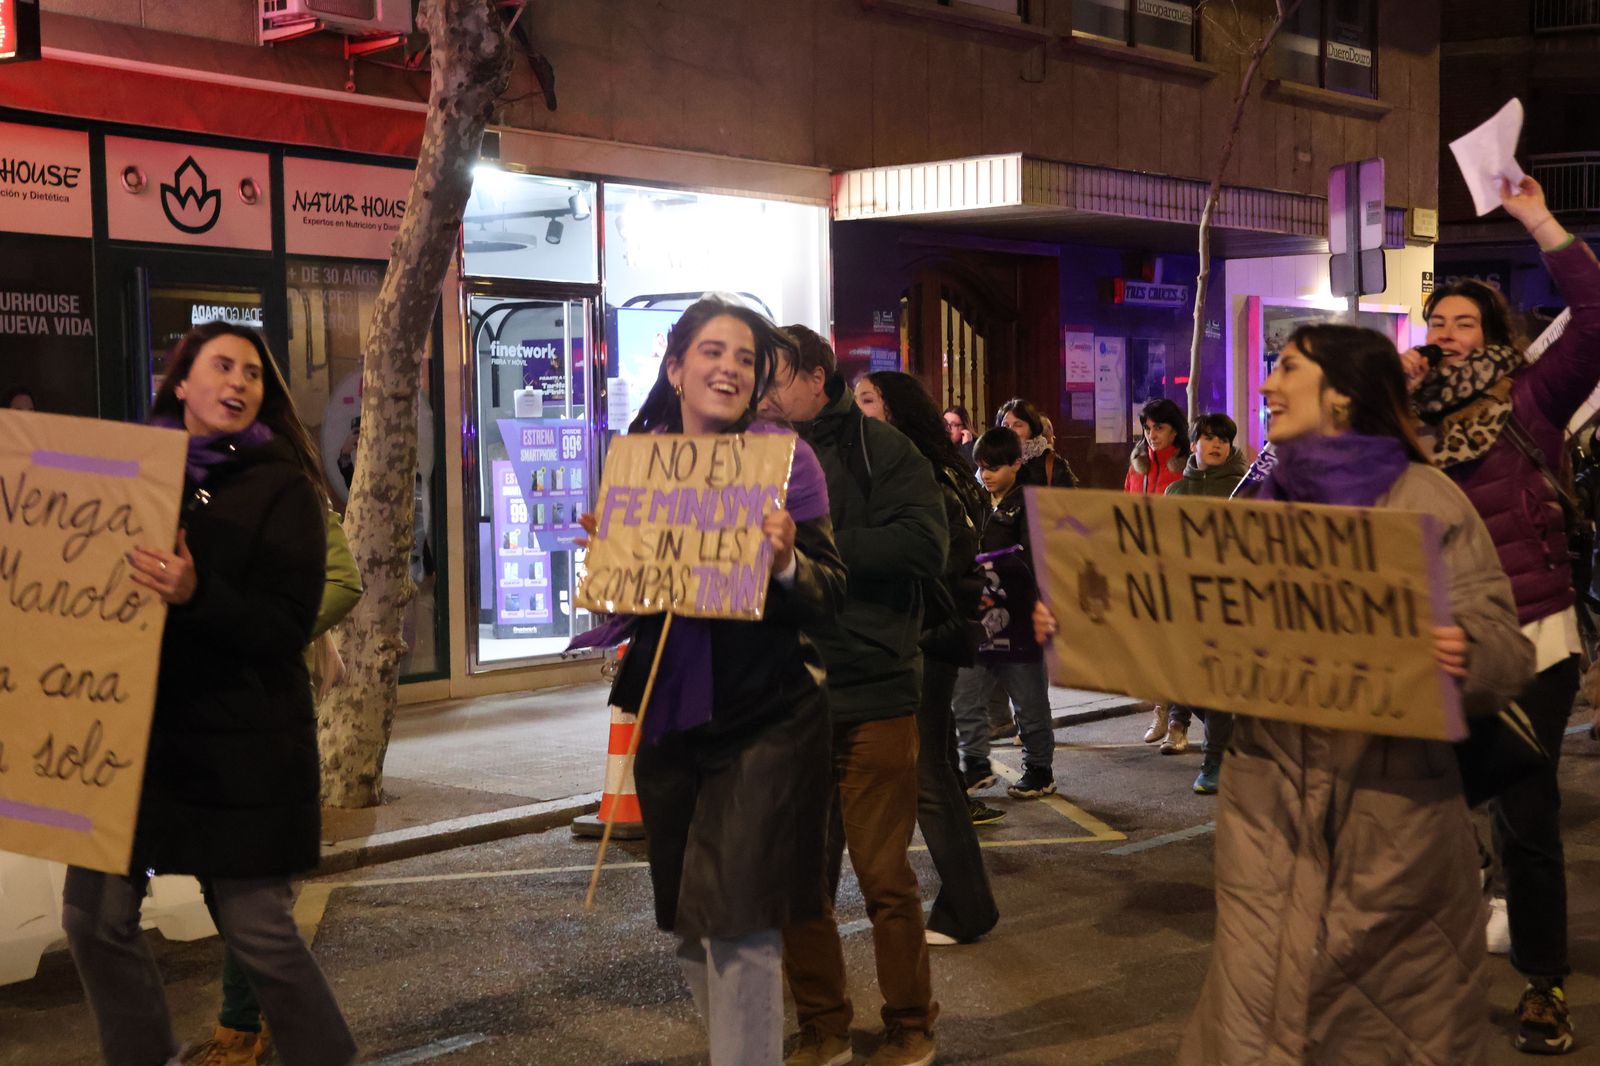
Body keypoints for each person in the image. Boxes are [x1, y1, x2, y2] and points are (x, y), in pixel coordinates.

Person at [1036, 324, 1532, 1064]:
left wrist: (1462, 651)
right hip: (1264, 817)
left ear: (1341, 394)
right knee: (1257, 1018)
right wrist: (1089, 625)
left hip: (1393, 824)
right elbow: (1191, 636)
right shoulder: (1262, 500)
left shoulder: (1425, 497)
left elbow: (1507, 651)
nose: (1267, 386)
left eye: (1287, 370)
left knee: (1389, 1030)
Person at [63, 321, 358, 1066]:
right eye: (222, 366)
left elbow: (284, 624)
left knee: (259, 932)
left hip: (241, 746)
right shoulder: (121, 482)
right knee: (92, 919)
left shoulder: (282, 487)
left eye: (252, 373)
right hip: (129, 743)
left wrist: (196, 592)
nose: (238, 383)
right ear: (182, 382)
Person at [574, 296, 847, 1066]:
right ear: (675, 367)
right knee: (690, 926)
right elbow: (632, 600)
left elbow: (833, 594)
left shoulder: (786, 463)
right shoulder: (641, 456)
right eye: (713, 352)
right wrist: (611, 563)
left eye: (745, 358)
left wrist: (787, 559)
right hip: (671, 718)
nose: (730, 368)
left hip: (767, 717)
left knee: (741, 925)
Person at [1400, 175, 1600, 1055]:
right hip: (1431, 646)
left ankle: (1544, 985)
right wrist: (1382, 399)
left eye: (1463, 323)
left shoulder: (1533, 398)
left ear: (1493, 335)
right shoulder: (1402, 418)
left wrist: (1537, 218)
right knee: (1427, 819)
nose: (1446, 335)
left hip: (1530, 641)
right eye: (1435, 323)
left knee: (1524, 812)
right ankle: (1432, 972)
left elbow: (1597, 321)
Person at [765, 326, 947, 1066]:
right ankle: (824, 1026)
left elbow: (923, 546)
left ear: (816, 378)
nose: (762, 394)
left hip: (873, 688)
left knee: (883, 877)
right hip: (787, 695)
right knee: (798, 880)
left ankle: (910, 1024)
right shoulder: (751, 457)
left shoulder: (883, 451)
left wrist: (814, 547)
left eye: (773, 378)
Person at [185, 509, 364, 1066]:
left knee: (251, 892)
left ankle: (244, 1024)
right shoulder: (187, 483)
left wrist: (267, 629)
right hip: (193, 709)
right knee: (219, 882)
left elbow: (343, 581)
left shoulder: (289, 487)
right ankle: (257, 1021)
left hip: (263, 709)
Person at [857, 371, 1001, 946]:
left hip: (925, 634)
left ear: (895, 411)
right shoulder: (937, 466)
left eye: (866, 401)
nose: (857, 411)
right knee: (935, 771)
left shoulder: (915, 471)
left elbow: (935, 557)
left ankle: (968, 906)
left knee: (929, 777)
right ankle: (968, 903)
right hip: (934, 631)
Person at [953, 426, 1058, 803]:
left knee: (1029, 701)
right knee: (965, 696)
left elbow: (1037, 560)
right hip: (979, 621)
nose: (986, 475)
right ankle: (975, 764)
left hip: (1021, 621)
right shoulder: (975, 503)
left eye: (994, 467)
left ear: (1017, 463)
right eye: (981, 467)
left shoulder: (1029, 503)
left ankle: (1039, 770)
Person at [1159, 413, 1246, 795]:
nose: (1216, 445)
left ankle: (1214, 761)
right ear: (1193, 445)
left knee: (1219, 689)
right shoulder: (1175, 492)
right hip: (1186, 603)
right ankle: (1230, 737)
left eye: (1223, 440)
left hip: (1231, 603)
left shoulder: (1248, 489)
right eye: (1208, 438)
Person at [1124, 396, 1189, 743]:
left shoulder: (1186, 465)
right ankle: (1161, 710)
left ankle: (1178, 720)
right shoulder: (1138, 466)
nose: (1152, 435)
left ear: (1174, 429)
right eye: (1147, 429)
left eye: (1159, 428)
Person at [996, 397, 1076, 487]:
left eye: (1018, 425)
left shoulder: (1052, 463)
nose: (1010, 430)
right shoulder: (992, 460)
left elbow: (1069, 499)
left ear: (1032, 428)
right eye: (1005, 425)